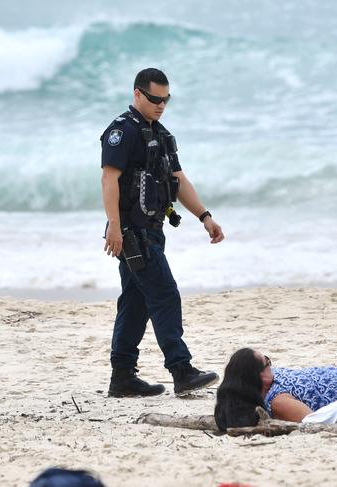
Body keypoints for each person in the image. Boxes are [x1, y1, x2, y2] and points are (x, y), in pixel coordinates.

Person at [100, 68, 225, 397]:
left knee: (136, 301)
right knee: (164, 294)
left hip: (154, 230)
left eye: (165, 100)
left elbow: (179, 180)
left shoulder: (162, 135)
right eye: (155, 99)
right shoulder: (122, 132)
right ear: (137, 94)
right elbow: (109, 179)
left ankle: (122, 376)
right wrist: (114, 225)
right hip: (131, 232)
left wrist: (205, 216)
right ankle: (181, 369)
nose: (160, 105)